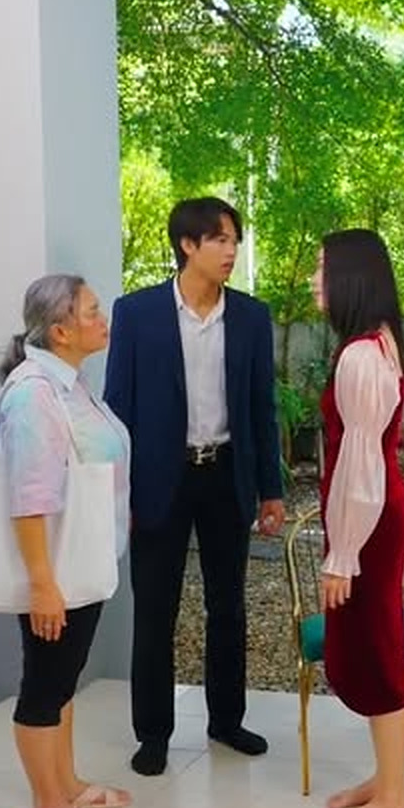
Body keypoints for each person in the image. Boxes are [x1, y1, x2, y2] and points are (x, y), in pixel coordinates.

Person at [104, 197, 284, 777]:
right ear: (188, 245)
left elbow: (262, 408)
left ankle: (226, 720)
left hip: (226, 474)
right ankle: (153, 733)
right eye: (221, 240)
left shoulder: (251, 317)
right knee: (155, 609)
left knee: (227, 605)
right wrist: (118, 493)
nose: (232, 251)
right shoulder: (137, 313)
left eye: (235, 240)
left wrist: (271, 489)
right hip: (160, 479)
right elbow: (117, 408)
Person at [0, 276, 130, 808]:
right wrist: (42, 585)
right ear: (60, 331)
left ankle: (66, 783)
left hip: (80, 560)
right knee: (45, 686)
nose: (104, 320)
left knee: (63, 679)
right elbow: (29, 498)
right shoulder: (34, 394)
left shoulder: (69, 384)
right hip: (56, 568)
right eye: (93, 312)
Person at [312, 229, 404, 808]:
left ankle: (394, 796)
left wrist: (343, 554)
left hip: (369, 523)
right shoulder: (380, 342)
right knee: (375, 639)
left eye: (322, 269)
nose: (314, 281)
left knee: (377, 647)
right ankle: (385, 777)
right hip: (378, 514)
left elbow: (359, 464)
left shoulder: (360, 355)